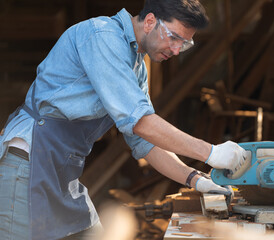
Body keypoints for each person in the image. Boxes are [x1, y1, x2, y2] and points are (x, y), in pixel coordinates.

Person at [0, 0, 247, 239]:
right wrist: (210, 152)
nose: (175, 50)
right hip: (28, 163)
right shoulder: (102, 36)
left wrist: (195, 178)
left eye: (184, 44)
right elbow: (141, 122)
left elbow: (144, 141)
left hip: (62, 169)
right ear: (150, 21)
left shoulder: (137, 66)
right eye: (173, 37)